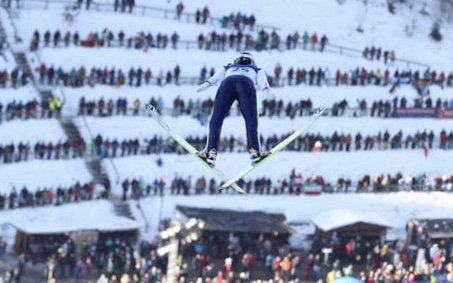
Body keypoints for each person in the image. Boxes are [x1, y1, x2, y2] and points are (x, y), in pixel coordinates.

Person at [195, 51, 272, 167]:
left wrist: (207, 83)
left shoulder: (229, 66)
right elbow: (262, 81)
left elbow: (216, 77)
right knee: (251, 120)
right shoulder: (256, 69)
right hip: (246, 83)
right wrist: (265, 89)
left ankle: (211, 151)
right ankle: (254, 151)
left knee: (216, 118)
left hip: (228, 83)